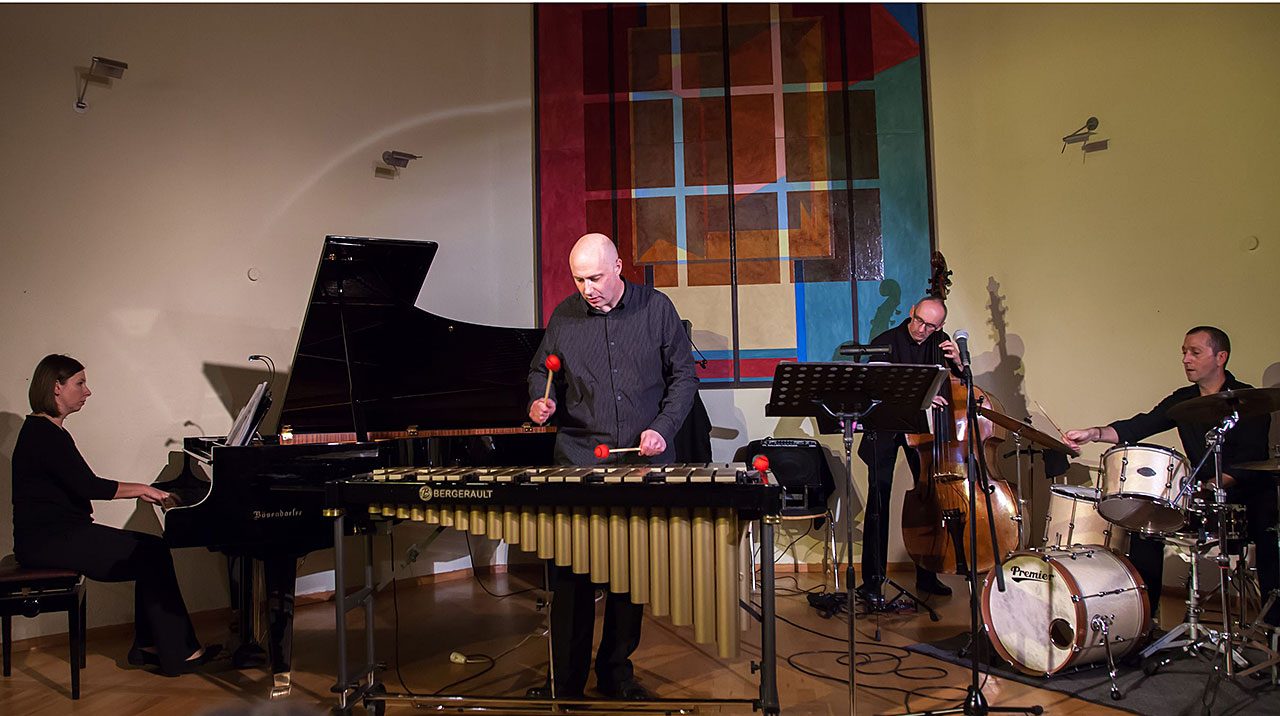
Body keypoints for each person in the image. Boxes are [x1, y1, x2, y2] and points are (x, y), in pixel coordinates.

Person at [526, 233, 698, 700]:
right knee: (572, 577)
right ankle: (565, 681)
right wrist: (540, 403)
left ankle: (616, 673)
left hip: (642, 463)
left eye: (596, 277)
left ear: (619, 266)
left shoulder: (656, 309)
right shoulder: (564, 315)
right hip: (580, 458)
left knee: (630, 575)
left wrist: (663, 427)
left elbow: (684, 375)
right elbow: (542, 371)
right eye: (579, 279)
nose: (588, 288)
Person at [11, 354, 220, 676]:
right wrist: (141, 489)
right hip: (47, 541)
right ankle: (179, 654)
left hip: (53, 535)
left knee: (151, 550)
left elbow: (78, 485)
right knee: (151, 553)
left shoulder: (44, 431)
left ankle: (149, 647)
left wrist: (140, 489)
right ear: (56, 387)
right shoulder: (44, 434)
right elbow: (87, 486)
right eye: (80, 383)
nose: (87, 391)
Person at [1064, 326, 1277, 627]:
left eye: (1195, 352)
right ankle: (1144, 622)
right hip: (1201, 498)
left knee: (1271, 536)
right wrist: (1093, 433)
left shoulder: (1250, 402)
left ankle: (1274, 630)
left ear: (1221, 357)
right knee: (1146, 525)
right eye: (1184, 353)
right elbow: (1141, 425)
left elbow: (1249, 461)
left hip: (1247, 499)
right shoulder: (1184, 400)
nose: (1186, 359)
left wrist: (1208, 486)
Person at [854, 296, 962, 603]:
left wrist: (958, 362)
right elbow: (871, 389)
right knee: (878, 502)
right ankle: (872, 582)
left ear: (940, 326)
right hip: (885, 429)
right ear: (911, 313)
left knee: (928, 501)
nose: (922, 329)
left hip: (924, 432)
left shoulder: (941, 343)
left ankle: (927, 576)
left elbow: (962, 386)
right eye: (919, 321)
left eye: (931, 326)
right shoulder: (885, 342)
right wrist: (920, 397)